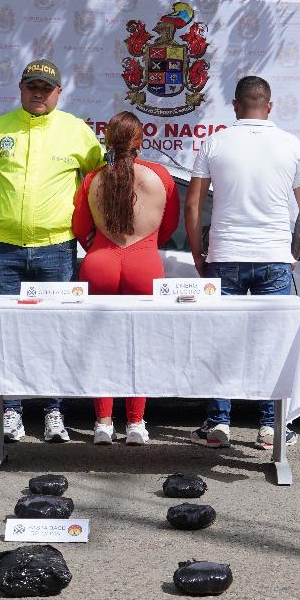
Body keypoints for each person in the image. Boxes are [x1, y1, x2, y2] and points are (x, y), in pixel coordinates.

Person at [0, 58, 104, 443]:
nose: (38, 94)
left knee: (56, 333)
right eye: (32, 86)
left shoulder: (78, 132)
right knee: (8, 334)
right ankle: (11, 410)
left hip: (56, 248)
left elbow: (96, 182)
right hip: (5, 249)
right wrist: (8, 211)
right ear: (20, 87)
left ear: (58, 93)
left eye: (46, 89)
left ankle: (54, 413)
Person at [184, 75, 300, 450]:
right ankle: (270, 426)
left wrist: (199, 253)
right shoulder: (290, 144)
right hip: (273, 257)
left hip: (225, 255)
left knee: (220, 341)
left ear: (235, 105)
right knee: (272, 343)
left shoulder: (215, 141)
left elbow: (193, 204)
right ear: (269, 106)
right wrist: (292, 252)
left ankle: (218, 422)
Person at [72, 111, 181, 445]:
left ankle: (103, 422)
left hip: (100, 261)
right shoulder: (160, 176)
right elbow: (169, 225)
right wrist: (144, 247)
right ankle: (135, 423)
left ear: (108, 141)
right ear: (140, 140)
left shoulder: (93, 178)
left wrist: (102, 247)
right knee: (141, 344)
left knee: (98, 344)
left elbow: (79, 227)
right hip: (144, 263)